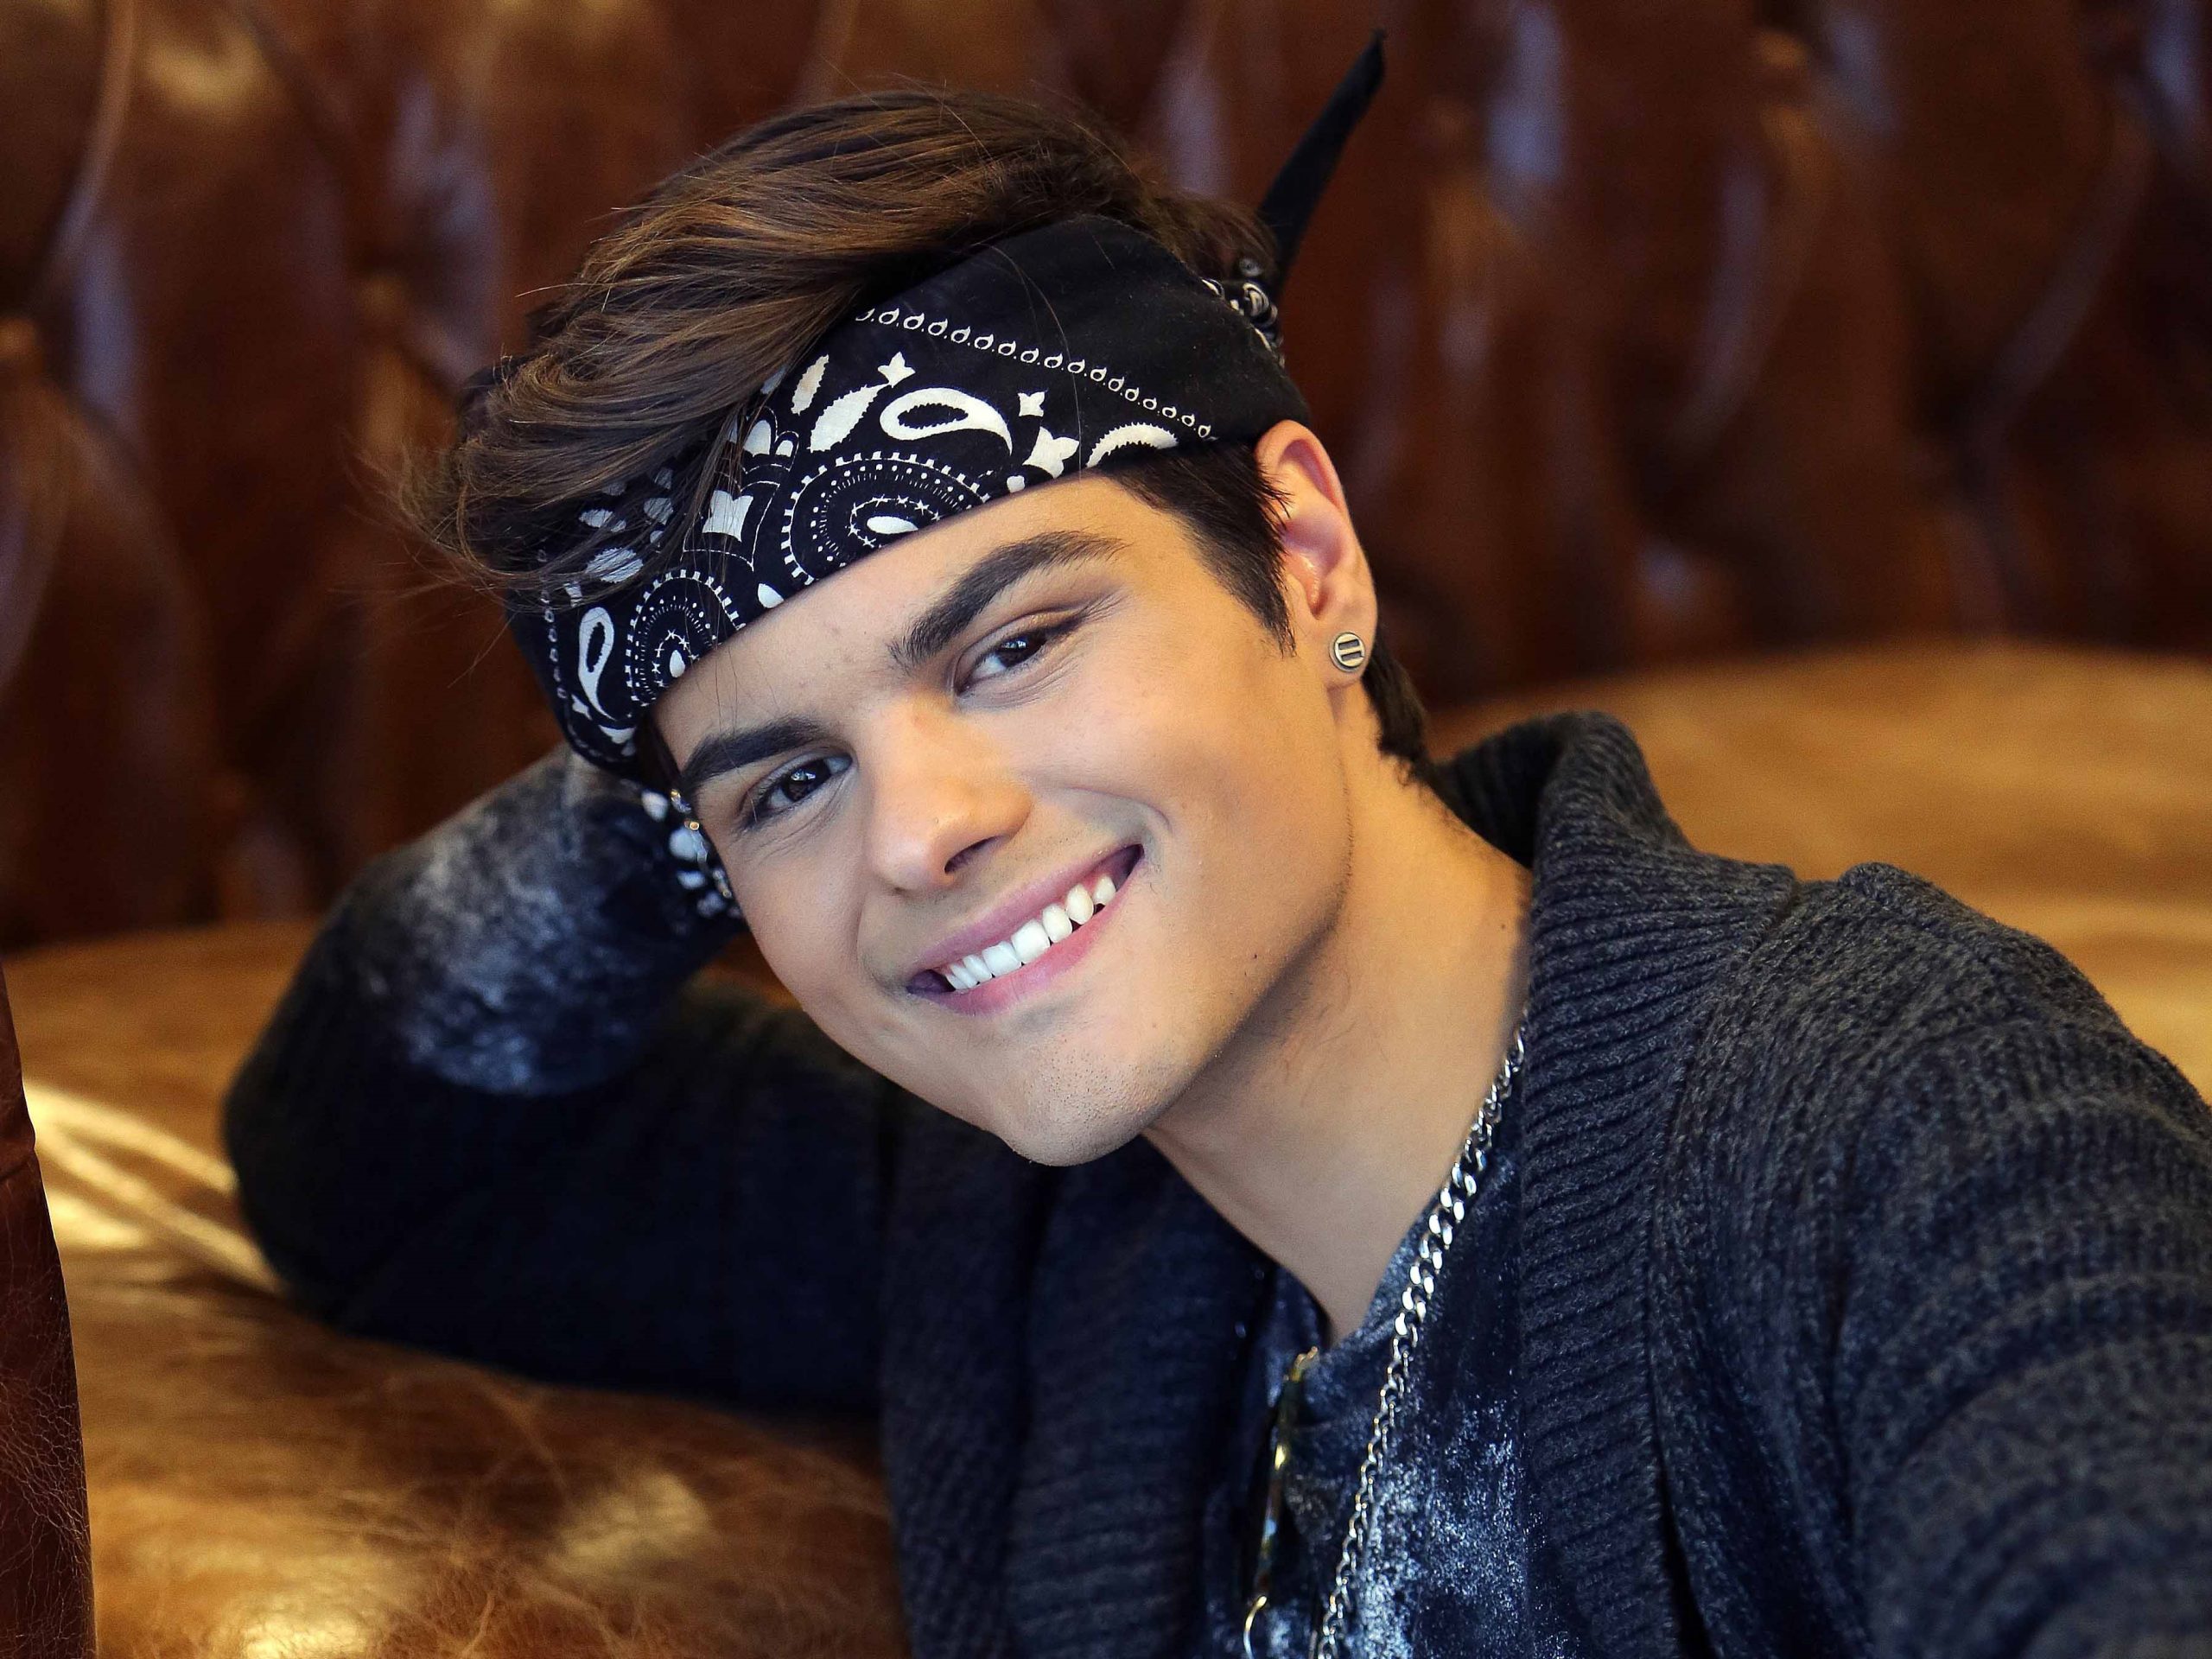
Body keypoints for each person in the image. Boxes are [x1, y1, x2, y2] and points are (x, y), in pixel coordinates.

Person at [223, 43, 2212, 1659]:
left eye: (1012, 647)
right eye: (794, 789)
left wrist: (750, 698)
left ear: (1307, 553)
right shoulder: (1016, 1222)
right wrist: (673, 724)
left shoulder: (1906, 1128)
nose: (923, 831)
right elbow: (382, 1161)